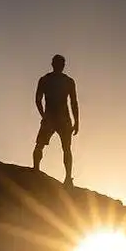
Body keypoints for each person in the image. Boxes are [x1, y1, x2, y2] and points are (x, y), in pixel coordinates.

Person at [32, 54, 79, 186]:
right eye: (59, 63)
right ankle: (36, 169)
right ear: (53, 64)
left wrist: (77, 121)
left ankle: (68, 177)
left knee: (65, 148)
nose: (61, 66)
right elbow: (37, 99)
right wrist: (44, 116)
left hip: (61, 119)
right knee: (41, 144)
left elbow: (74, 102)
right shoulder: (46, 79)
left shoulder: (68, 81)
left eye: (62, 64)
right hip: (52, 118)